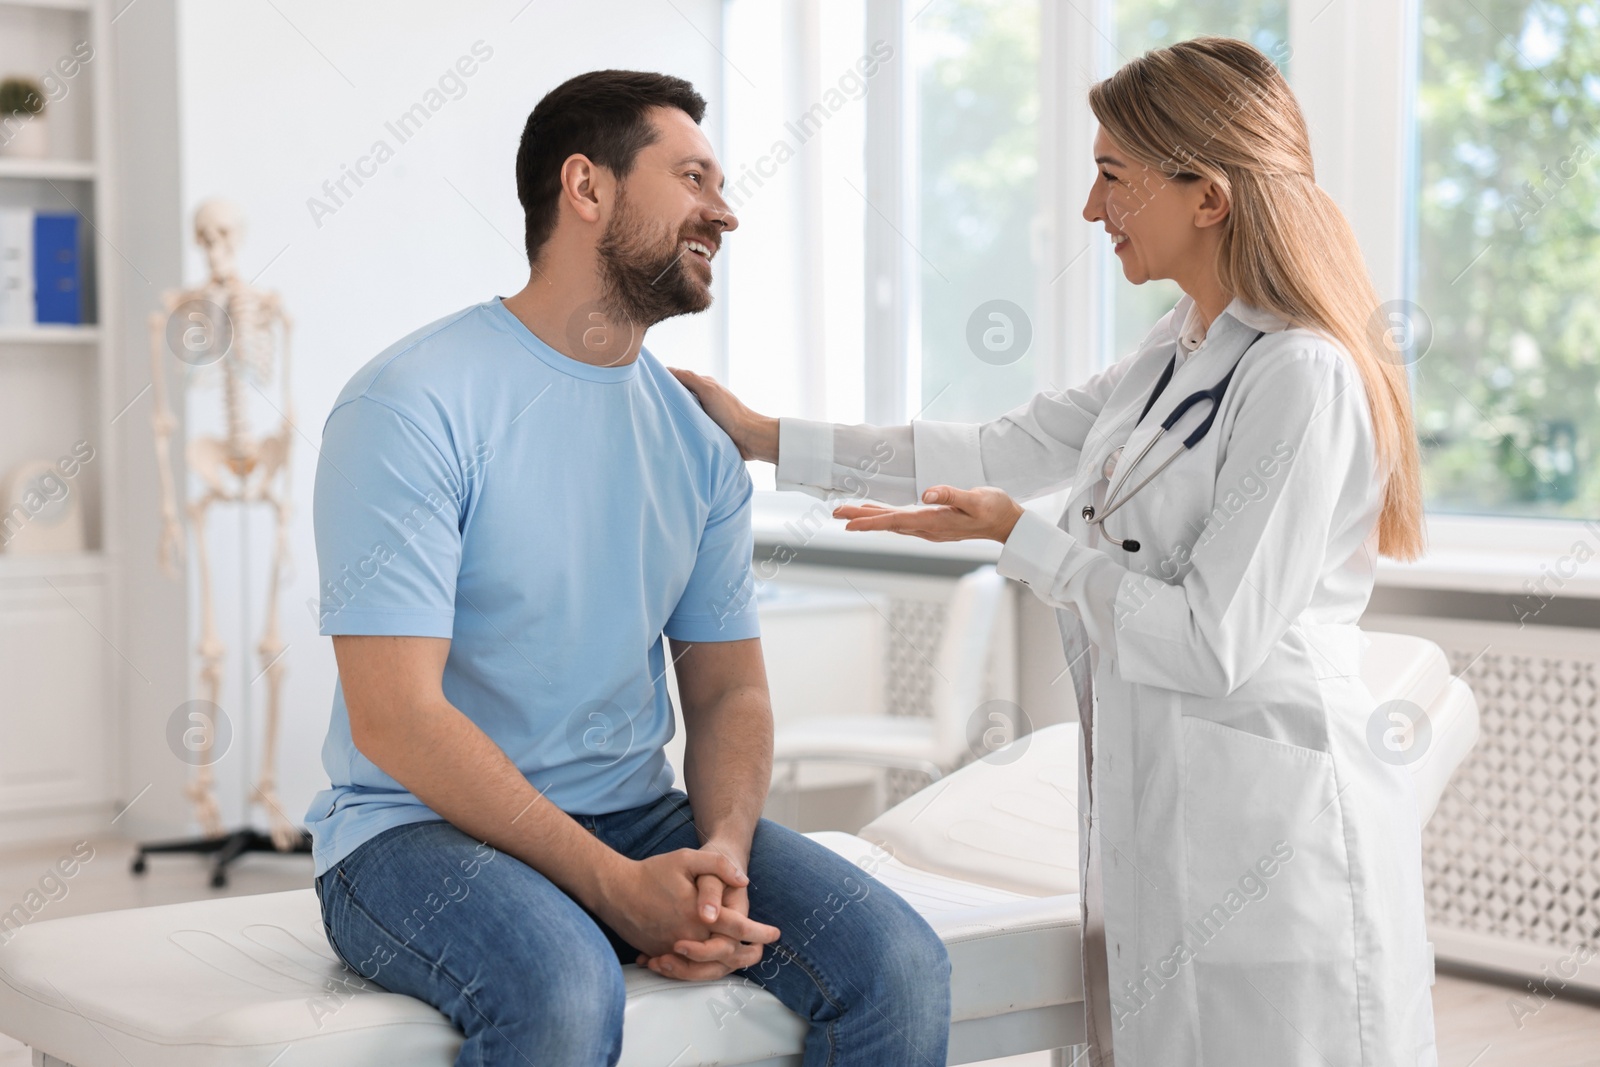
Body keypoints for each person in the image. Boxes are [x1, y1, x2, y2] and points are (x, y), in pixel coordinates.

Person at [675, 36, 1435, 1067]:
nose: (1089, 209)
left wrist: (1019, 538)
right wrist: (764, 435)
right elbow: (994, 447)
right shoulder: (1175, 351)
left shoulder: (1300, 376)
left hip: (1269, 827)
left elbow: (1211, 642)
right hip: (1153, 794)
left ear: (1205, 194)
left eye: (1112, 176)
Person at [304, 69, 950, 1067]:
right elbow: (395, 715)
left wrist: (722, 856)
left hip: (634, 808)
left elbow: (730, 687)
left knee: (898, 964)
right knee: (562, 987)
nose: (725, 211)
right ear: (587, 188)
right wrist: (613, 886)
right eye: (693, 176)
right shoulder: (411, 402)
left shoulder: (695, 441)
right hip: (412, 832)